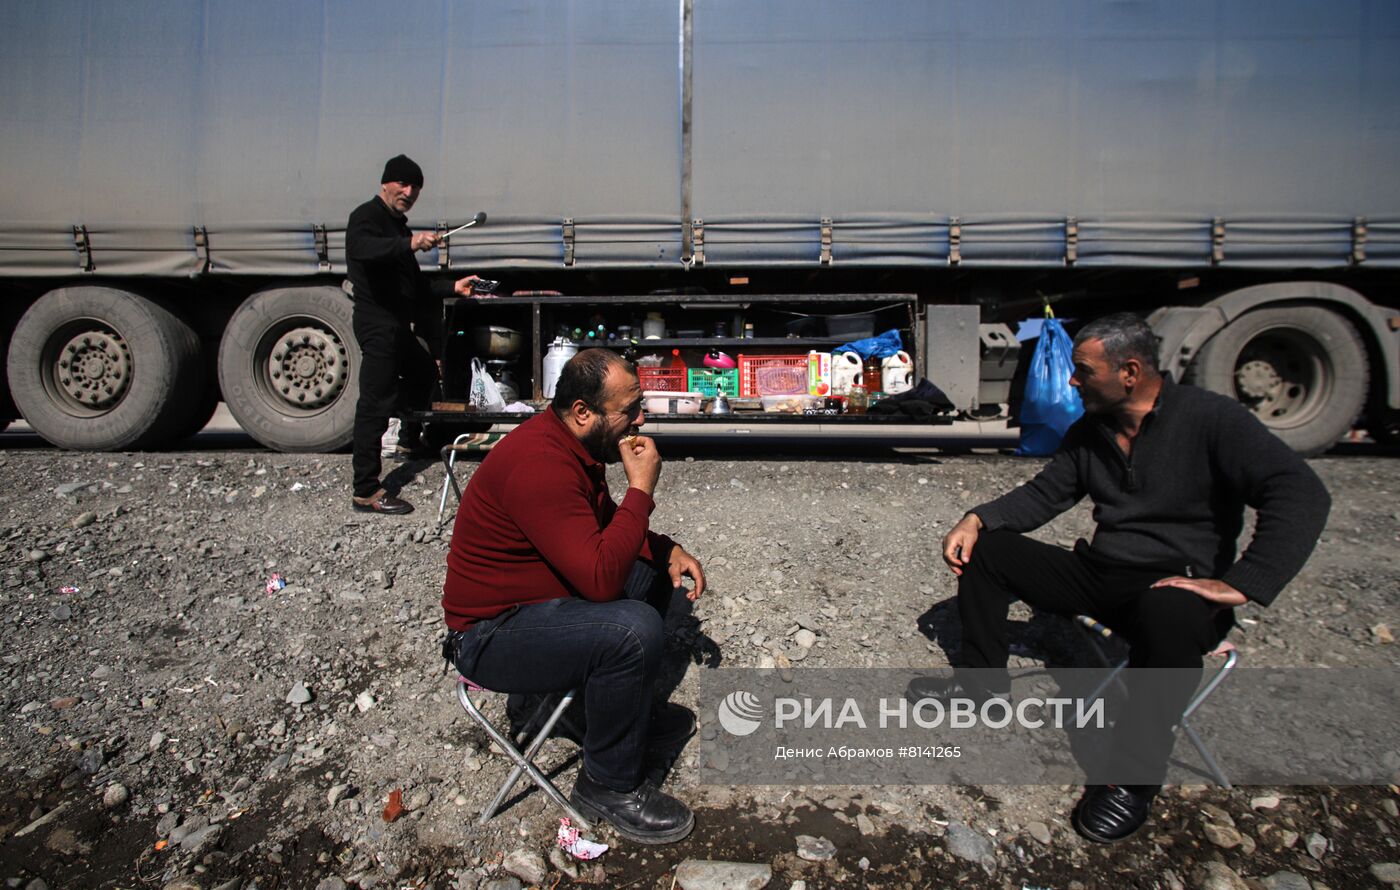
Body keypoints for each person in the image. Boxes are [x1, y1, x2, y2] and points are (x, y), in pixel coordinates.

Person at [907, 312, 1330, 844]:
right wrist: (977, 518)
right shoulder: (1092, 431)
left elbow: (1300, 492)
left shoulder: (1212, 420)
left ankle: (1132, 780)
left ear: (1129, 371)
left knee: (1166, 611)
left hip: (1177, 590)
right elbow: (1045, 495)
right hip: (1101, 574)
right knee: (988, 552)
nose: (1071, 381)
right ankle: (981, 687)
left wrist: (1245, 582)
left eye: (1082, 371)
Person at [441, 348, 706, 844]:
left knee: (654, 580)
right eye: (629, 410)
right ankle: (608, 784)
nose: (640, 419)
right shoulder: (540, 463)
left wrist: (665, 549)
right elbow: (601, 580)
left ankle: (620, 719)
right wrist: (642, 491)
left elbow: (603, 526)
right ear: (583, 412)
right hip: (489, 635)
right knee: (631, 630)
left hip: (538, 606)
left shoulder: (572, 446)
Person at [347, 154, 481, 515]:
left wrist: (454, 285)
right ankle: (366, 490)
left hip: (396, 326)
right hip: (377, 323)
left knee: (423, 373)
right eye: (402, 184)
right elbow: (364, 250)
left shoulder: (398, 228)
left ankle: (407, 441)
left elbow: (417, 288)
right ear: (385, 183)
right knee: (374, 403)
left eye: (415, 187)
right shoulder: (366, 218)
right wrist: (409, 244)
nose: (408, 192)